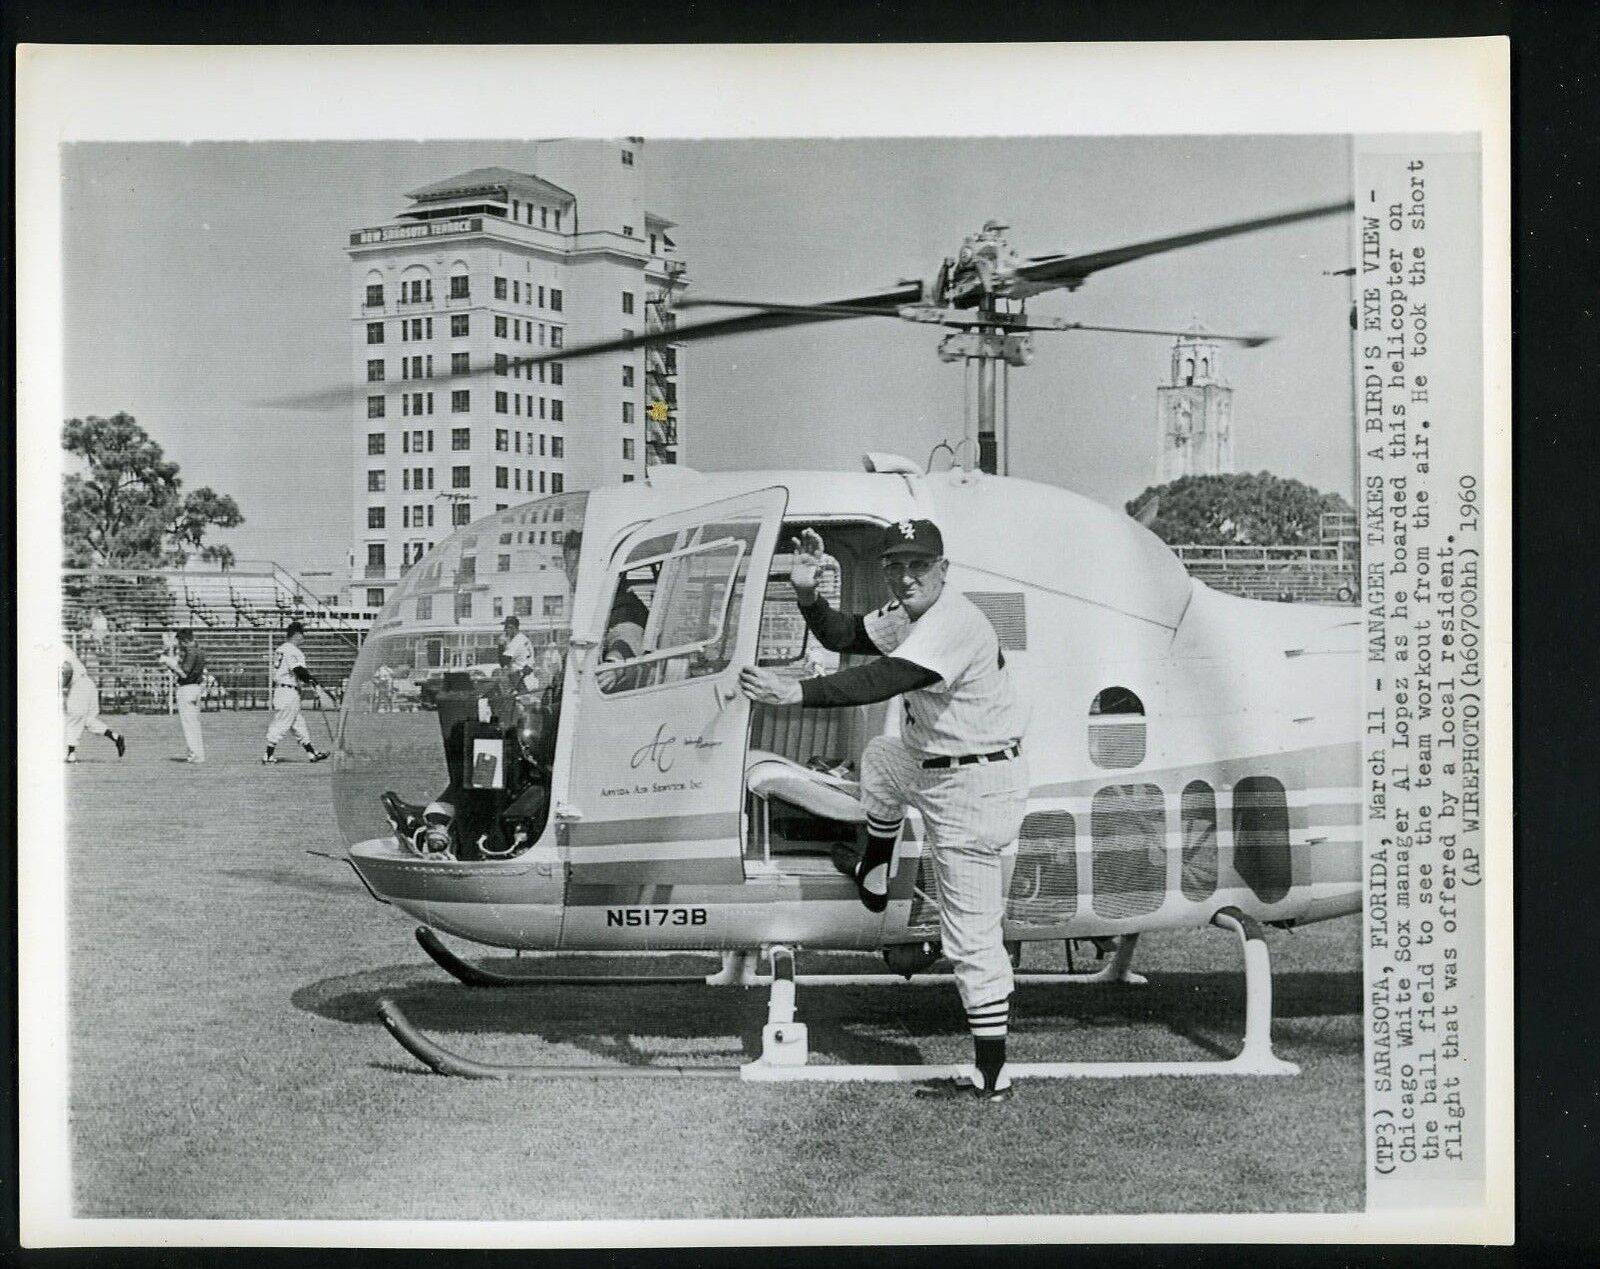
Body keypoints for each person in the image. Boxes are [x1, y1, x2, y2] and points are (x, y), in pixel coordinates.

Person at [739, 520, 1029, 1102]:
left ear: (944, 570)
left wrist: (796, 692)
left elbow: (885, 677)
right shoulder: (909, 610)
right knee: (880, 756)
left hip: (975, 786)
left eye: (918, 564)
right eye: (895, 564)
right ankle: (874, 866)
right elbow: (846, 635)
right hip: (930, 762)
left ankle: (991, 1076)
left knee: (970, 937)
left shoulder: (955, 620)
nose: (905, 575)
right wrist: (804, 592)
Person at [262, 621, 329, 765]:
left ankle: (312, 753)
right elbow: (298, 669)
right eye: (302, 634)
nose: (304, 638)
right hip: (288, 692)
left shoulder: (281, 649)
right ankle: (268, 755)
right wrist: (314, 683)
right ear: (297, 634)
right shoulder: (293, 650)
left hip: (283, 690)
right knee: (281, 724)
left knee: (299, 725)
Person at [60, 640, 126, 763]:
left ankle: (71, 754)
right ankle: (116, 737)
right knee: (86, 720)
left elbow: (67, 670)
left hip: (78, 685)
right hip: (87, 683)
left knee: (73, 717)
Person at [158, 627, 207, 763]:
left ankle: (194, 754)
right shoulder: (200, 651)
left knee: (188, 723)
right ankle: (198, 753)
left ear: (185, 640)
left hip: (187, 689)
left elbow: (184, 673)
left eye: (180, 641)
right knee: (194, 723)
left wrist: (169, 663)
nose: (179, 644)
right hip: (196, 687)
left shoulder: (190, 652)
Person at [498, 615, 536, 693]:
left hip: (520, 680)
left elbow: (503, 662)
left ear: (513, 628)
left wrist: (500, 645)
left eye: (507, 627)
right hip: (528, 678)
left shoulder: (515, 642)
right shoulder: (523, 638)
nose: (505, 630)